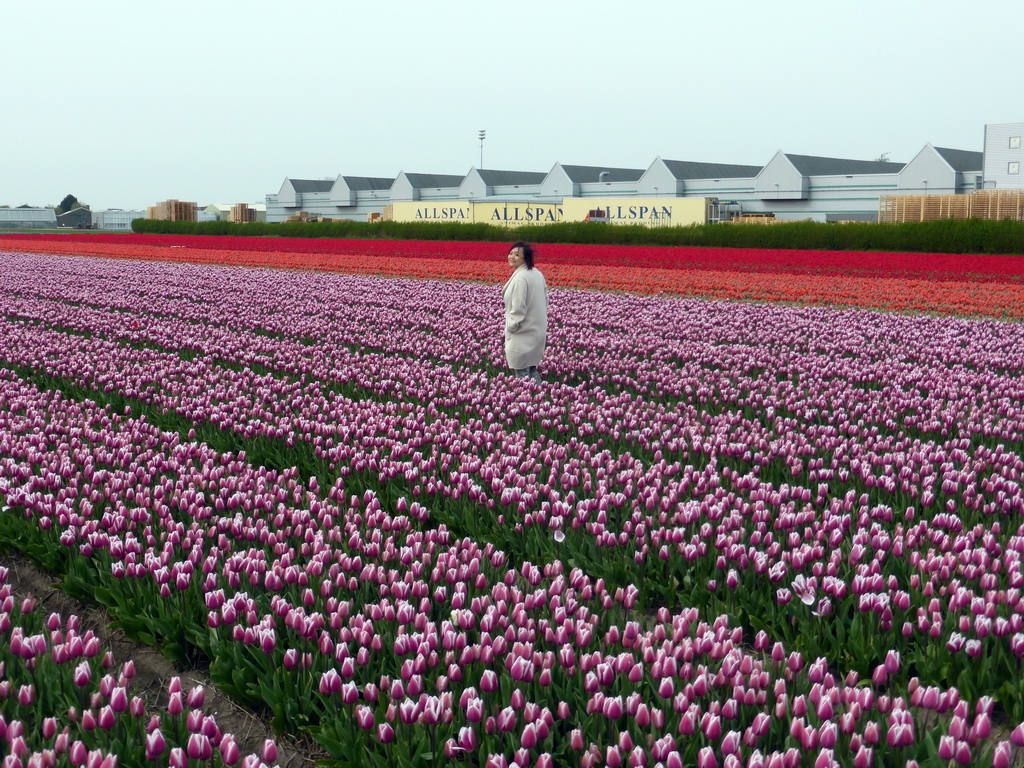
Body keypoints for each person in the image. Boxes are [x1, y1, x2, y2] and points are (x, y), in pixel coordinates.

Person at [502, 242, 548, 382]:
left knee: (522, 375)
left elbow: (518, 308)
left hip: (523, 333)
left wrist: (511, 328)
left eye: (517, 255)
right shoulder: (536, 274)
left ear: (525, 258)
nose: (512, 257)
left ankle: (529, 401)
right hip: (536, 331)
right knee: (532, 371)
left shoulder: (521, 278)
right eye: (511, 253)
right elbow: (545, 299)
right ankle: (540, 398)